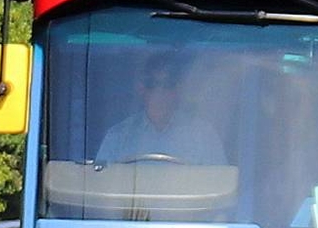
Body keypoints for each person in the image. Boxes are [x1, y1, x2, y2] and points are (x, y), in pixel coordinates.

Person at [94, 54, 228, 165]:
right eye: (151, 84)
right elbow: (100, 187)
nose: (159, 91)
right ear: (141, 88)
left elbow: (220, 189)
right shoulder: (117, 136)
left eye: (168, 84)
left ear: (178, 89)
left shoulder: (204, 136)